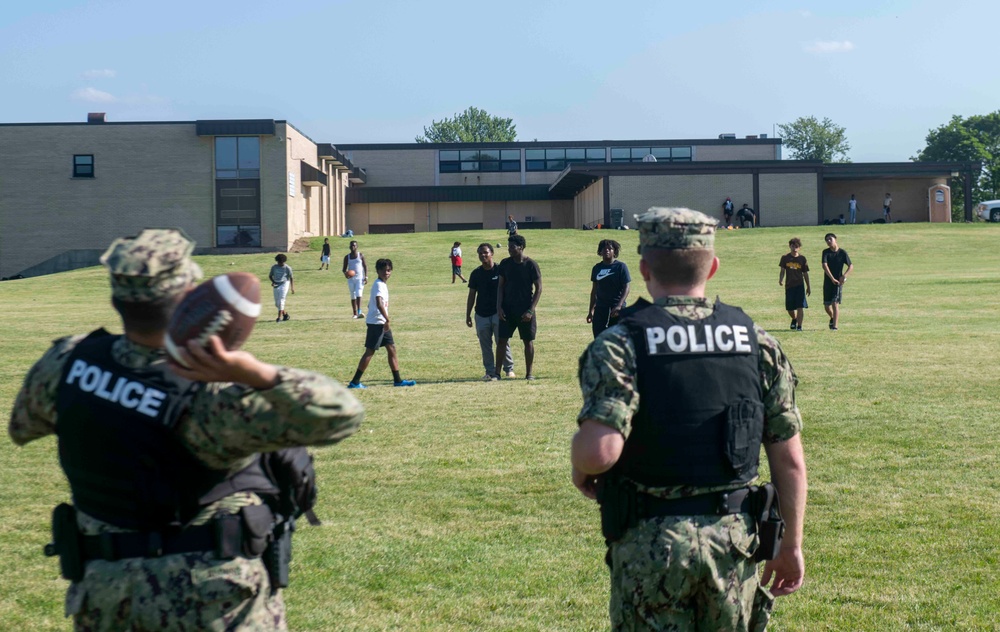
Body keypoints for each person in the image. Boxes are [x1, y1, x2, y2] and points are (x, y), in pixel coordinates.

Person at [8, 228, 365, 631]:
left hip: (107, 596)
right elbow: (342, 413)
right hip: (211, 601)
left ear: (116, 300)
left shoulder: (66, 364)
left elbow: (23, 427)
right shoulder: (215, 396)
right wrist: (256, 373)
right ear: (189, 301)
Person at [571, 207, 807, 631]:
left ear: (644, 268)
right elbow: (789, 460)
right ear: (712, 267)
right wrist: (791, 543)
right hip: (734, 543)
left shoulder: (621, 344)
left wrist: (580, 465)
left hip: (652, 542)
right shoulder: (757, 342)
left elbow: (599, 452)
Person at [347, 259, 416, 389]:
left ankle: (398, 380)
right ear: (377, 271)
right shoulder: (378, 284)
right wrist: (387, 319)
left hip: (381, 322)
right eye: (383, 270)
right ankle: (355, 382)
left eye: (389, 270)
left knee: (392, 348)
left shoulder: (382, 284)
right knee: (370, 351)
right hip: (377, 323)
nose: (386, 273)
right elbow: (379, 303)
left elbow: (372, 303)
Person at [466, 243, 514, 381]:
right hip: (481, 314)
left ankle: (509, 369)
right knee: (485, 344)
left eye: (485, 253)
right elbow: (471, 295)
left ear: (492, 253)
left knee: (502, 341)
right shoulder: (476, 273)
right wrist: (468, 314)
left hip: (498, 313)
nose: (483, 255)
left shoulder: (500, 270)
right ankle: (490, 371)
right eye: (480, 253)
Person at [496, 234, 541, 381]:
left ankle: (529, 374)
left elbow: (539, 288)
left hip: (525, 310)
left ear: (520, 247)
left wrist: (530, 310)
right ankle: (497, 373)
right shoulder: (505, 263)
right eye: (508, 247)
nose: (509, 249)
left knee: (528, 341)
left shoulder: (531, 265)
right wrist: (499, 307)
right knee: (501, 340)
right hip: (507, 309)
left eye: (512, 247)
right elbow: (500, 287)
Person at [587, 239, 632, 338]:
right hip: (601, 308)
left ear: (614, 252)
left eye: (610, 249)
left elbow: (627, 287)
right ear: (600, 251)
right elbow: (594, 291)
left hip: (616, 309)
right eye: (604, 249)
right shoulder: (597, 268)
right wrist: (591, 310)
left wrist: (619, 305)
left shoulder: (621, 267)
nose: (606, 250)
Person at [821, 233, 853, 331]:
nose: (828, 241)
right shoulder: (825, 252)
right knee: (827, 306)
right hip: (828, 282)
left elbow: (851, 266)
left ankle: (835, 326)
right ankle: (832, 317)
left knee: (835, 303)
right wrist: (831, 278)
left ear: (835, 239)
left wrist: (844, 276)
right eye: (827, 240)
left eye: (830, 239)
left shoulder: (842, 253)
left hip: (838, 283)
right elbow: (824, 266)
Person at [779, 238, 811, 331]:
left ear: (799, 247)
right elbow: (782, 270)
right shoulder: (785, 258)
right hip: (789, 286)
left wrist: (808, 286)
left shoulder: (802, 259)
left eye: (796, 246)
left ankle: (799, 326)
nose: (794, 248)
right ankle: (794, 318)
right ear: (790, 246)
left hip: (799, 286)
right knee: (790, 309)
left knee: (800, 306)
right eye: (793, 246)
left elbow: (805, 273)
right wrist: (781, 279)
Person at [343, 240, 368, 319]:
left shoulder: (360, 255)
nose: (352, 247)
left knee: (359, 293)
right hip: (351, 279)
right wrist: (346, 274)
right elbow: (344, 269)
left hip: (359, 278)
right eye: (351, 245)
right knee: (352, 295)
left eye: (354, 245)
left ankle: (359, 311)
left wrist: (366, 276)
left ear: (357, 246)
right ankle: (354, 313)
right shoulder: (347, 257)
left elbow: (365, 266)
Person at [269, 253, 294, 322]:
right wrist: (273, 282)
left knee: (281, 300)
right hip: (276, 284)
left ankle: (279, 318)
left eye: (281, 262)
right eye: (279, 262)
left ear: (284, 261)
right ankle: (285, 315)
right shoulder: (274, 267)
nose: (280, 263)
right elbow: (270, 276)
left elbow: (291, 277)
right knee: (277, 303)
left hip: (285, 283)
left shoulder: (288, 268)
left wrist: (292, 288)